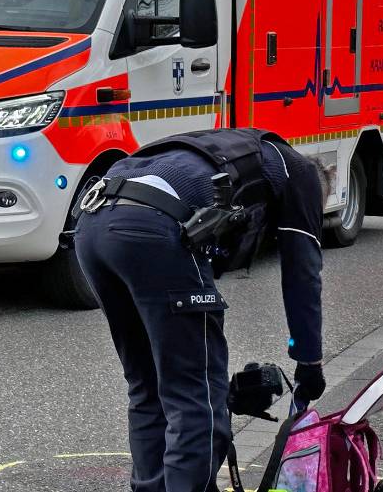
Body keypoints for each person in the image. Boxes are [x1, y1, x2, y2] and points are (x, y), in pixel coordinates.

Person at [74, 128, 329, 492]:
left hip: (93, 223)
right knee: (196, 396)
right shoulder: (301, 174)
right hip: (153, 225)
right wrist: (309, 362)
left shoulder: (233, 151)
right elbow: (303, 274)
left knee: (148, 386)